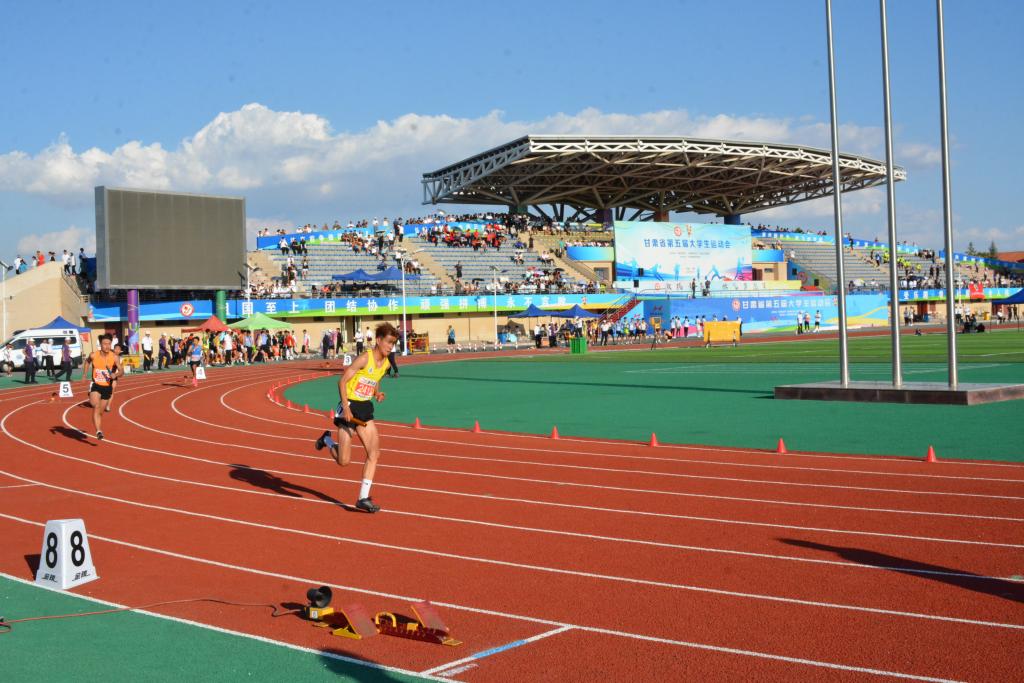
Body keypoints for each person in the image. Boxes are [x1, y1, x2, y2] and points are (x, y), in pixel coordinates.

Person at [314, 321, 399, 514]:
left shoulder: (386, 363)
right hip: (350, 406)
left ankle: (363, 498)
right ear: (378, 340)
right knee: (343, 461)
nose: (390, 346)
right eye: (388, 342)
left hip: (365, 408)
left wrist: (376, 393)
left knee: (374, 453)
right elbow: (342, 381)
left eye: (393, 343)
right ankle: (326, 440)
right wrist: (345, 407)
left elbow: (375, 379)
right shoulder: (364, 358)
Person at [81, 334, 121, 440]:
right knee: (96, 406)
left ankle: (98, 428)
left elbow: (121, 371)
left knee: (100, 412)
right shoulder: (94, 355)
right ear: (100, 344)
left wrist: (116, 374)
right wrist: (84, 375)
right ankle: (99, 431)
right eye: (104, 344)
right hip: (96, 385)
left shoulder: (114, 357)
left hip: (107, 387)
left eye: (109, 344)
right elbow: (87, 362)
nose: (107, 346)